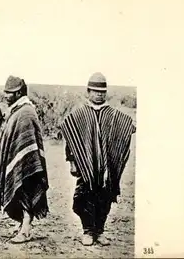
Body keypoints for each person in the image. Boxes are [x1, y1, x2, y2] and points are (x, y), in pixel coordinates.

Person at [60, 72, 136, 246]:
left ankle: (99, 231)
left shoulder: (112, 114)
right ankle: (87, 231)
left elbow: (125, 127)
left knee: (105, 197)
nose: (98, 94)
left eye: (102, 91)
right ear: (88, 92)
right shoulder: (79, 114)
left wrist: (127, 129)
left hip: (107, 168)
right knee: (84, 197)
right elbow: (71, 138)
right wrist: (72, 162)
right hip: (85, 167)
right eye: (95, 91)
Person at [0, 76, 49, 243]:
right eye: (6, 92)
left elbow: (27, 140)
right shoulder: (17, 110)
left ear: (19, 93)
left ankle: (26, 229)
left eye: (10, 93)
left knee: (26, 190)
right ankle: (23, 224)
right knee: (19, 191)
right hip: (18, 161)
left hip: (28, 164)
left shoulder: (26, 112)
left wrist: (23, 159)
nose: (6, 96)